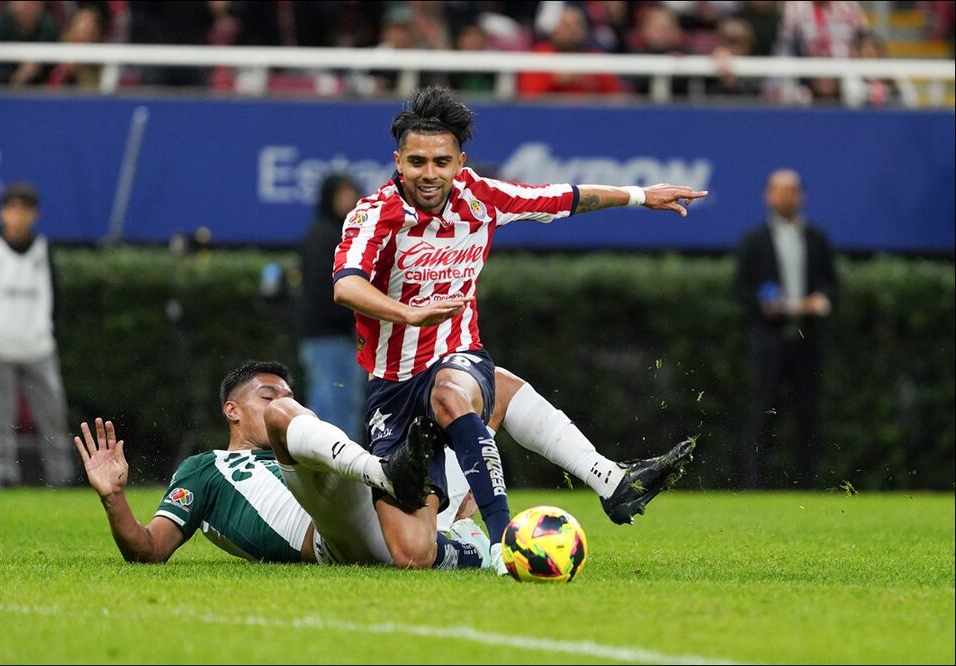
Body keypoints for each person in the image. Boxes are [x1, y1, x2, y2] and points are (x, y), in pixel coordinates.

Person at [331, 86, 704, 573]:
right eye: (417, 161)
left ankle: (503, 540)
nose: (429, 174)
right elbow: (346, 286)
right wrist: (407, 314)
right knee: (412, 554)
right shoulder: (375, 214)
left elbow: (565, 198)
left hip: (457, 360)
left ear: (459, 161)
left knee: (452, 391)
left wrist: (640, 196)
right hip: (393, 387)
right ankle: (577, 492)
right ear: (398, 161)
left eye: (441, 162)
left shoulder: (481, 198)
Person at [75, 360, 484, 567]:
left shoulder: (306, 450)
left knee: (484, 383)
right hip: (329, 534)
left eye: (286, 397)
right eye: (267, 396)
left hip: (368, 507)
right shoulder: (204, 469)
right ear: (231, 410)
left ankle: (470, 538)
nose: (281, 403)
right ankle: (402, 486)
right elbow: (149, 551)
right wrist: (113, 497)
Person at [0, 182, 74, 487]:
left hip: (38, 346)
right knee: (0, 417)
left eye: (25, 209)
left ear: (34, 214)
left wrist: (47, 333)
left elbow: (55, 298)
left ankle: (60, 477)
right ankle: (4, 475)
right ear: (2, 212)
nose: (18, 216)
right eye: (12, 209)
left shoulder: (42, 248)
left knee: (52, 416)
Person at [734, 169, 838, 489]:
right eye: (778, 191)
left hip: (808, 338)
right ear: (768, 196)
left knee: (807, 414)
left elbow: (832, 284)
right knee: (763, 410)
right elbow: (741, 288)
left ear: (801, 196)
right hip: (769, 338)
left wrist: (821, 301)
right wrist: (765, 307)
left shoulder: (816, 238)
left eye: (791, 191)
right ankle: (753, 483)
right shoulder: (755, 239)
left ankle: (807, 483)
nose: (785, 197)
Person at [298, 174, 366, 442]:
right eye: (343, 194)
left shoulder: (344, 234)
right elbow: (323, 293)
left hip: (340, 340)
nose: (350, 200)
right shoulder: (323, 236)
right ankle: (332, 475)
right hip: (329, 339)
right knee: (331, 408)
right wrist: (358, 314)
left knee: (345, 405)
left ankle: (340, 476)